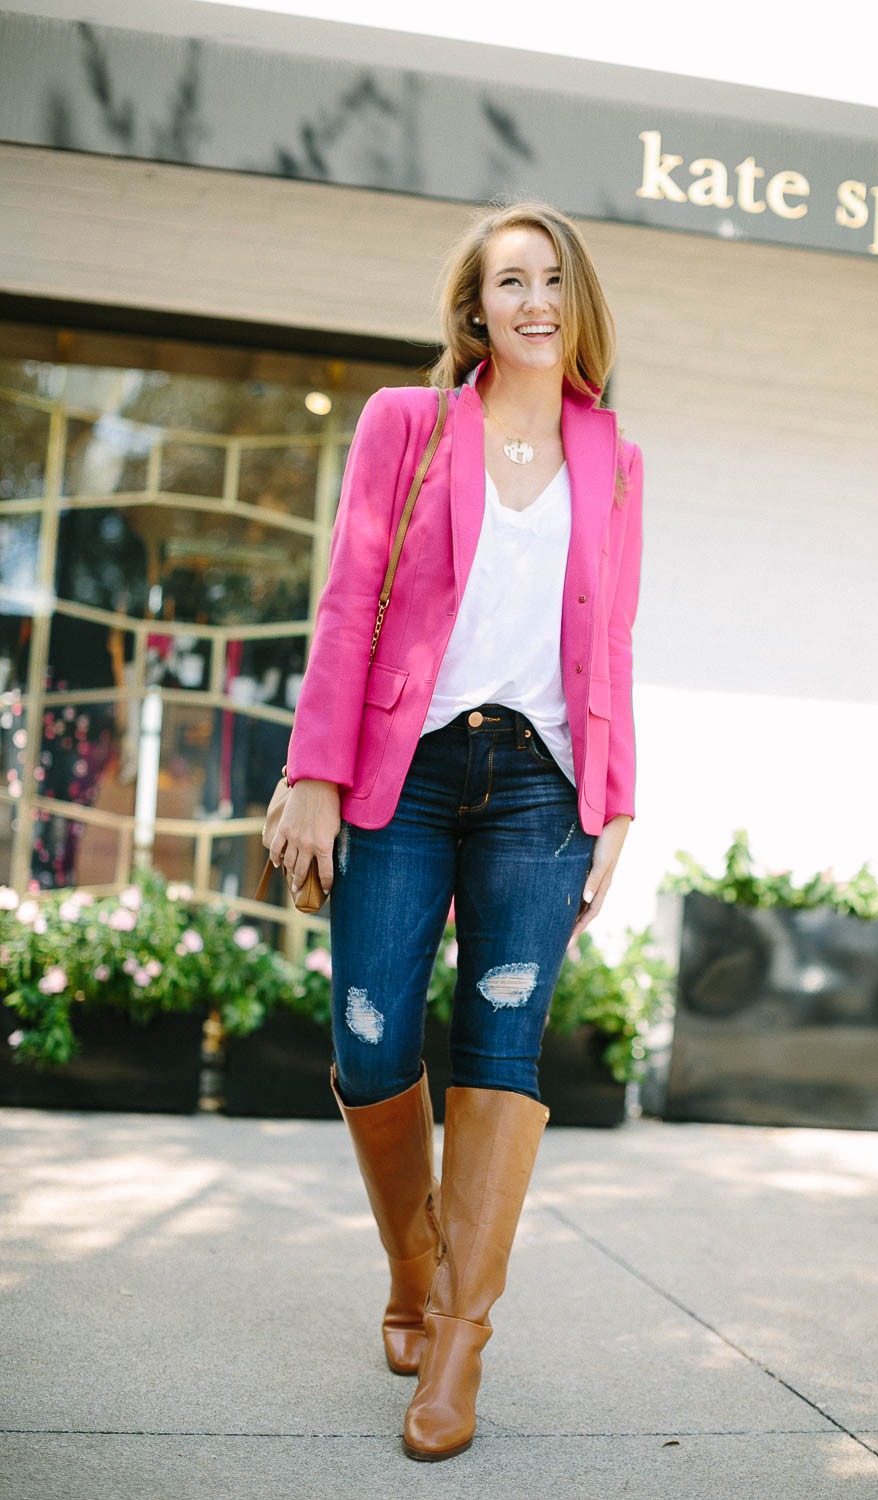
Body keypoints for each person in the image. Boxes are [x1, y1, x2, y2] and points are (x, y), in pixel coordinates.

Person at [267, 201, 643, 1462]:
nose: (532, 300)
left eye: (551, 280)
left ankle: (459, 1339)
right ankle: (415, 1257)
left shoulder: (615, 458)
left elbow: (612, 645)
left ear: (576, 302)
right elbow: (346, 600)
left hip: (541, 783)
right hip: (405, 767)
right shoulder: (406, 424)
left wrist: (616, 802)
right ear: (475, 310)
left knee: (503, 1043)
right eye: (507, 283)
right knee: (371, 1034)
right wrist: (313, 772)